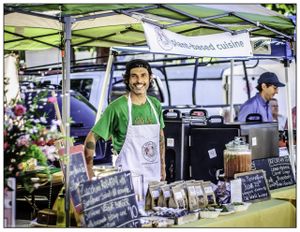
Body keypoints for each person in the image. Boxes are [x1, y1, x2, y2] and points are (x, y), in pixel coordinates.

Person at [84, 59, 166, 193]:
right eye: (134, 76)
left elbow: (160, 136)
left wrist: (163, 166)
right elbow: (92, 138)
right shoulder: (117, 107)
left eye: (143, 75)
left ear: (150, 78)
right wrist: (89, 170)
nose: (139, 80)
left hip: (153, 178)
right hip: (127, 179)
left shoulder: (155, 104)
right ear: (127, 80)